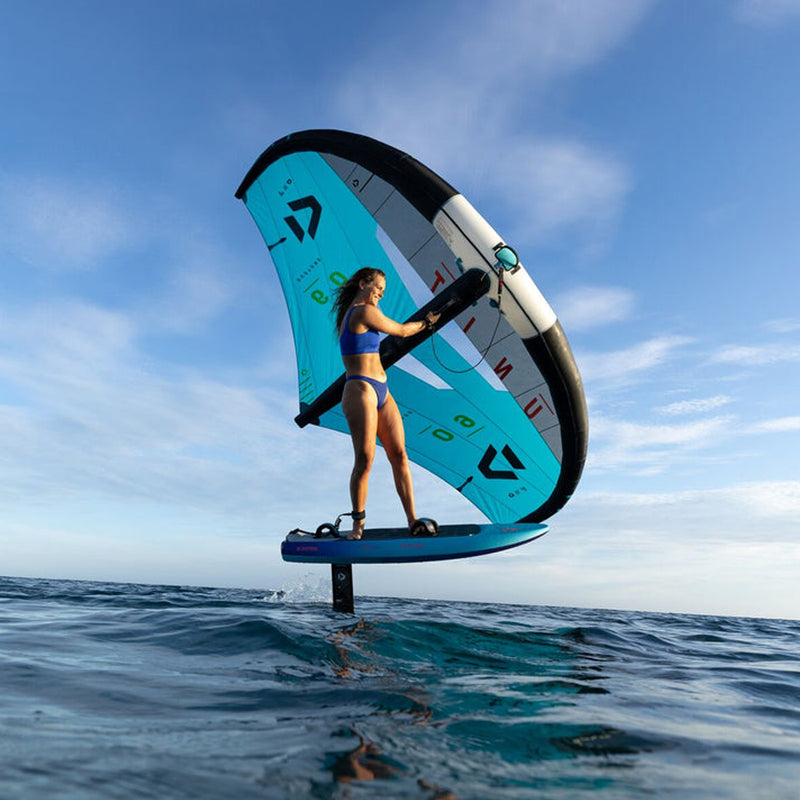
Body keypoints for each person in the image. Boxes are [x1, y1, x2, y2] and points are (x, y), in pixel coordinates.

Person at [333, 267, 440, 539]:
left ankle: (412, 520)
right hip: (360, 388)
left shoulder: (367, 310)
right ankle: (357, 526)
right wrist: (427, 323)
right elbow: (401, 331)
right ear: (362, 284)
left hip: (383, 389)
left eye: (383, 290)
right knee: (365, 460)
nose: (381, 293)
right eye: (378, 287)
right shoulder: (362, 312)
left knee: (400, 455)